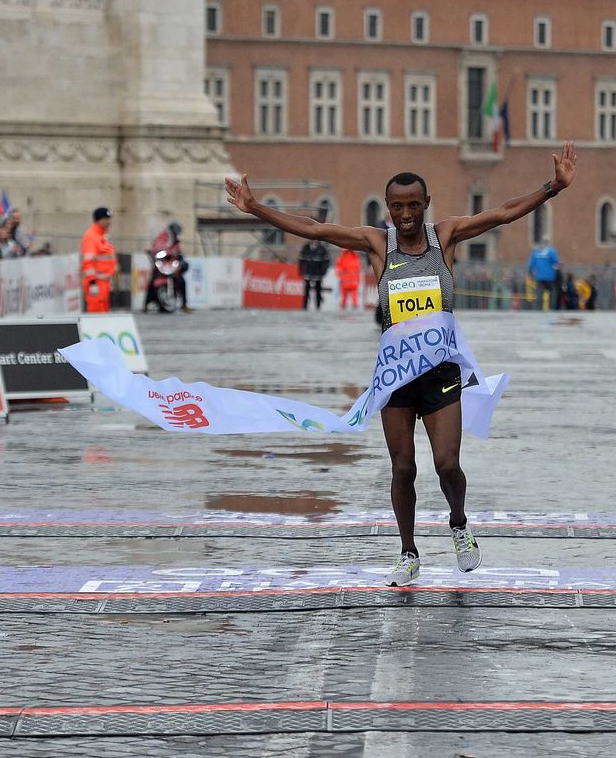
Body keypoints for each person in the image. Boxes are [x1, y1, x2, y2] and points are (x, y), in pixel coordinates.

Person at [225, 141, 577, 586]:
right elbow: (314, 229)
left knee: (447, 463)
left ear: (426, 205)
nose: (406, 214)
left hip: (441, 373)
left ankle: (459, 524)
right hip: (396, 378)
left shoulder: (443, 236)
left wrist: (553, 187)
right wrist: (257, 209)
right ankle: (408, 551)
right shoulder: (377, 243)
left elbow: (502, 213)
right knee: (403, 467)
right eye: (397, 206)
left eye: (413, 205)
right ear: (387, 209)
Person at [82, 206, 117, 313]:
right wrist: (93, 283)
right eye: (106, 219)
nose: (109, 222)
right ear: (99, 220)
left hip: (104, 283)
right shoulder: (91, 236)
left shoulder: (102, 236)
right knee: (96, 316)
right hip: (96, 284)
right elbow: (88, 262)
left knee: (103, 315)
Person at [526, 239, 560, 310]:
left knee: (539, 293)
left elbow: (531, 265)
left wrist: (530, 273)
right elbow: (556, 262)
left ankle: (539, 309)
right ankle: (552, 308)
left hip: (539, 277)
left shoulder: (535, 252)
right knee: (552, 293)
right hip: (550, 277)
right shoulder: (551, 251)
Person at [298, 239, 330, 310]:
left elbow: (326, 261)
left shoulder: (322, 248)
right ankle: (305, 306)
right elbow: (301, 260)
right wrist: (301, 271)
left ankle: (318, 307)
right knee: (306, 290)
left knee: (318, 290)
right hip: (308, 271)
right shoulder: (306, 247)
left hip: (318, 272)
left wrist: (323, 271)